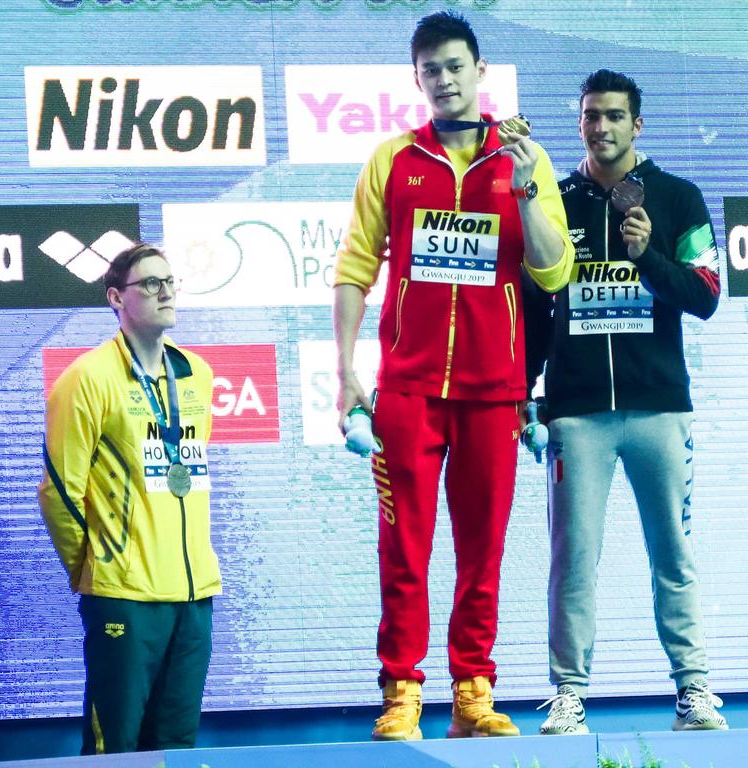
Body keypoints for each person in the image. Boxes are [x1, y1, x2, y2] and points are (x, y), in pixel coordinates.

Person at [333, 10, 574, 741]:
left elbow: (554, 268)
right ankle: (402, 690)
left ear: (479, 72)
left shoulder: (522, 157)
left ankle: (473, 692)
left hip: (494, 391)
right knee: (403, 548)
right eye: (430, 70)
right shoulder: (392, 160)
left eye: (455, 66)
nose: (444, 80)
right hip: (406, 391)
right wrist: (346, 372)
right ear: (417, 80)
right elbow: (353, 268)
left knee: (483, 549)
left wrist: (530, 188)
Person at [528, 69, 728, 735]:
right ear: (580, 122)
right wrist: (528, 395)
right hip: (577, 415)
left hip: (660, 410)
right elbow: (534, 309)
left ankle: (694, 690)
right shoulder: (556, 202)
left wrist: (647, 258)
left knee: (673, 553)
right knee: (573, 558)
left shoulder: (679, 198)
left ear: (637, 124)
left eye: (615, 116)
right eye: (591, 116)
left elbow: (704, 295)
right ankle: (568, 696)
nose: (602, 127)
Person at [38, 243, 222, 754]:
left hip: (193, 596)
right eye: (151, 284)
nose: (165, 293)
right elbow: (59, 491)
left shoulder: (197, 376)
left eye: (169, 282)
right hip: (124, 595)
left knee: (176, 744)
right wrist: (97, 567)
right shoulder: (86, 379)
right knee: (114, 747)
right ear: (117, 298)